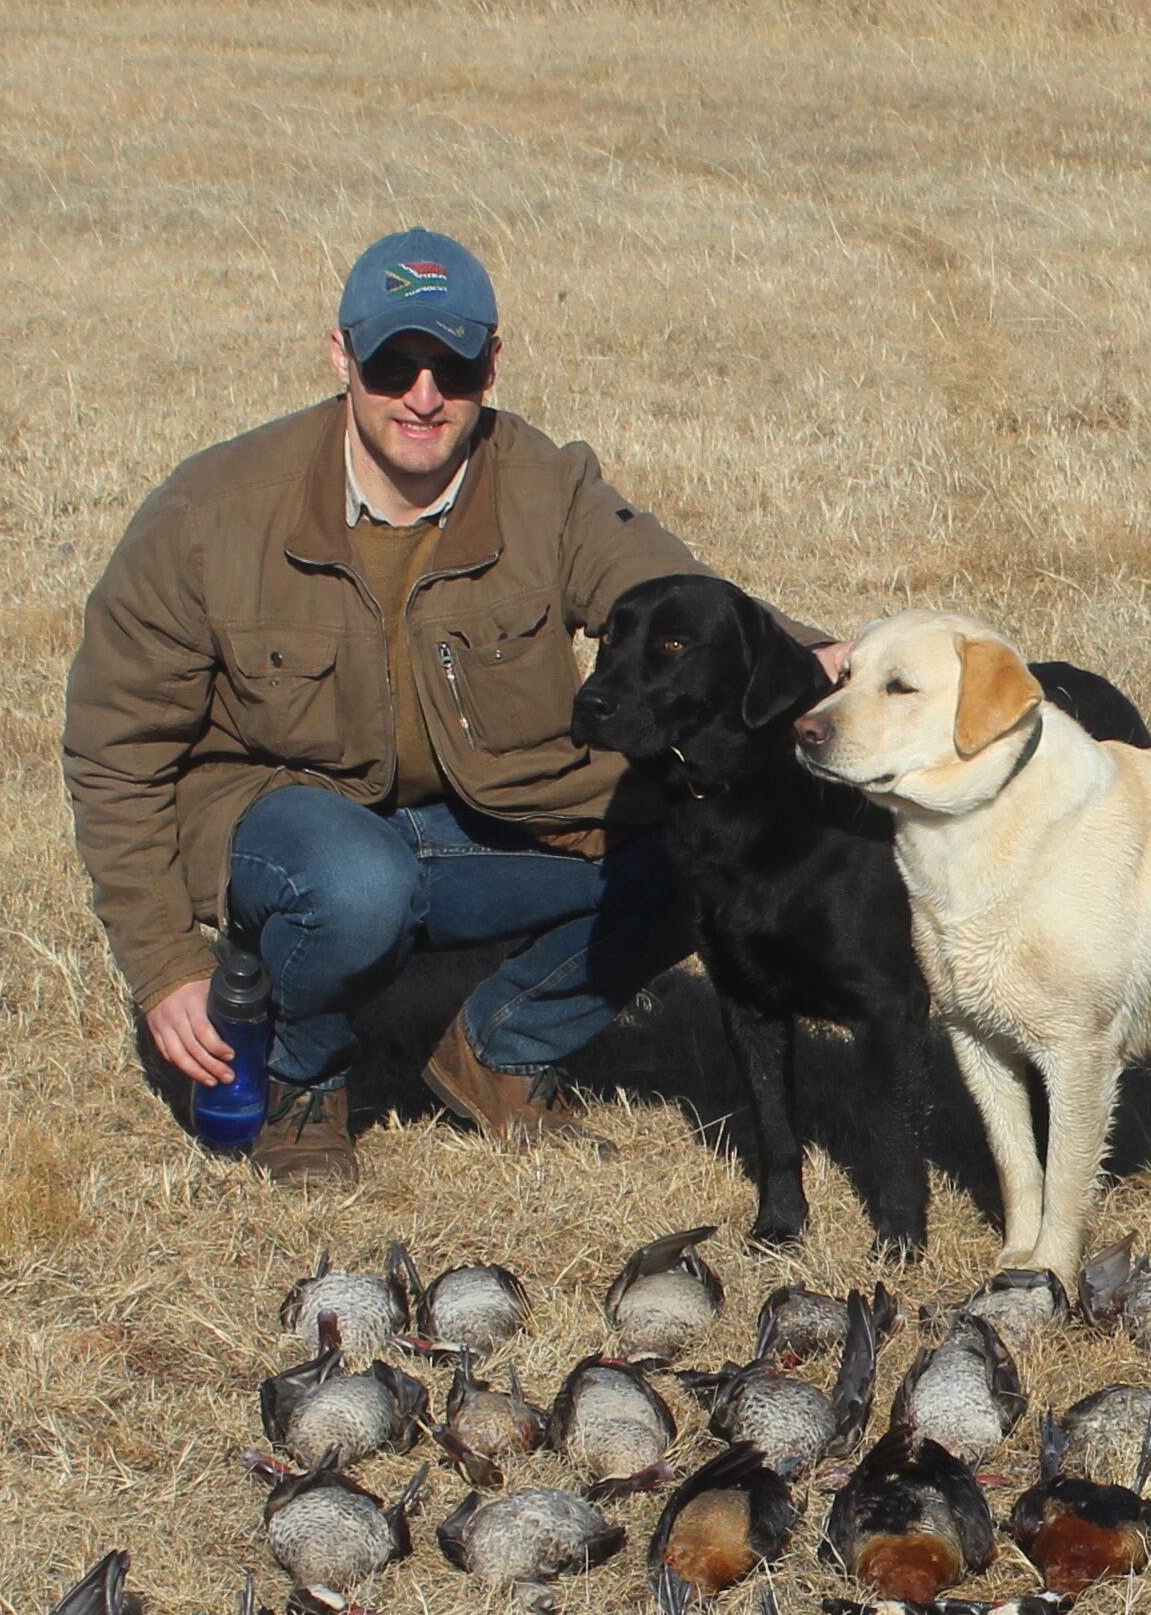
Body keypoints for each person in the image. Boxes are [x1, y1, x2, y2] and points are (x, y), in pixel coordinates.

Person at [63, 228, 733, 1181]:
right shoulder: (210, 512)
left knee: (715, 839)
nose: (424, 395)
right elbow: (112, 750)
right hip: (289, 832)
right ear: (341, 357)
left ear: (491, 363)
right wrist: (165, 964)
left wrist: (819, 664)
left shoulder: (549, 486)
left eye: (452, 364)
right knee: (355, 880)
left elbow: (679, 600)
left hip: (477, 820)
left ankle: (499, 1048)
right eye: (392, 363)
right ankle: (304, 1076)